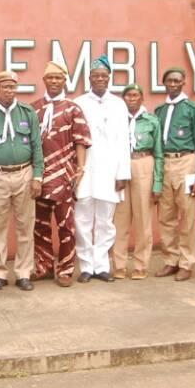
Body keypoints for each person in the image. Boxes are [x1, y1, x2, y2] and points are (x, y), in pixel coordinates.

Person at [0, 70, 44, 291]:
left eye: (12, 87)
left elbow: (37, 146)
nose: (9, 91)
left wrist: (38, 176)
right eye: (5, 87)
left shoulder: (28, 112)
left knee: (25, 226)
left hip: (24, 174)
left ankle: (23, 272)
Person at [31, 62, 91, 286]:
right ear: (44, 81)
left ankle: (66, 268)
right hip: (40, 175)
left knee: (66, 224)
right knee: (40, 224)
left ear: (64, 81)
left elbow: (81, 141)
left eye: (58, 78)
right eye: (50, 78)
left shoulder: (73, 108)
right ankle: (44, 266)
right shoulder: (34, 108)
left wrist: (80, 169)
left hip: (65, 175)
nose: (54, 81)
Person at [74, 56, 131, 283]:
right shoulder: (78, 102)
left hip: (110, 170)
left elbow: (124, 141)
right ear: (89, 78)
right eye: (95, 75)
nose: (99, 79)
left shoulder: (118, 104)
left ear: (109, 78)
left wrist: (123, 173)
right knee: (83, 219)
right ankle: (87, 266)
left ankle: (102, 266)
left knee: (106, 221)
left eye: (103, 76)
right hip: (86, 169)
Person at [152, 67, 195, 281]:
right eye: (169, 81)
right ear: (164, 83)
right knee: (166, 216)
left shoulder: (193, 109)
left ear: (184, 82)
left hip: (186, 162)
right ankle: (170, 260)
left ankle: (186, 262)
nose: (173, 84)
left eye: (177, 80)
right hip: (165, 163)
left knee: (186, 215)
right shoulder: (159, 110)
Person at [111, 84, 164, 280]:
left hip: (144, 164)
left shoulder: (152, 120)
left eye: (135, 95)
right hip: (123, 166)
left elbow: (159, 153)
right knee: (120, 220)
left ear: (142, 98)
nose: (132, 99)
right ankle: (119, 264)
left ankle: (141, 265)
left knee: (143, 219)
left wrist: (158, 183)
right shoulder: (117, 120)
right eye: (128, 96)